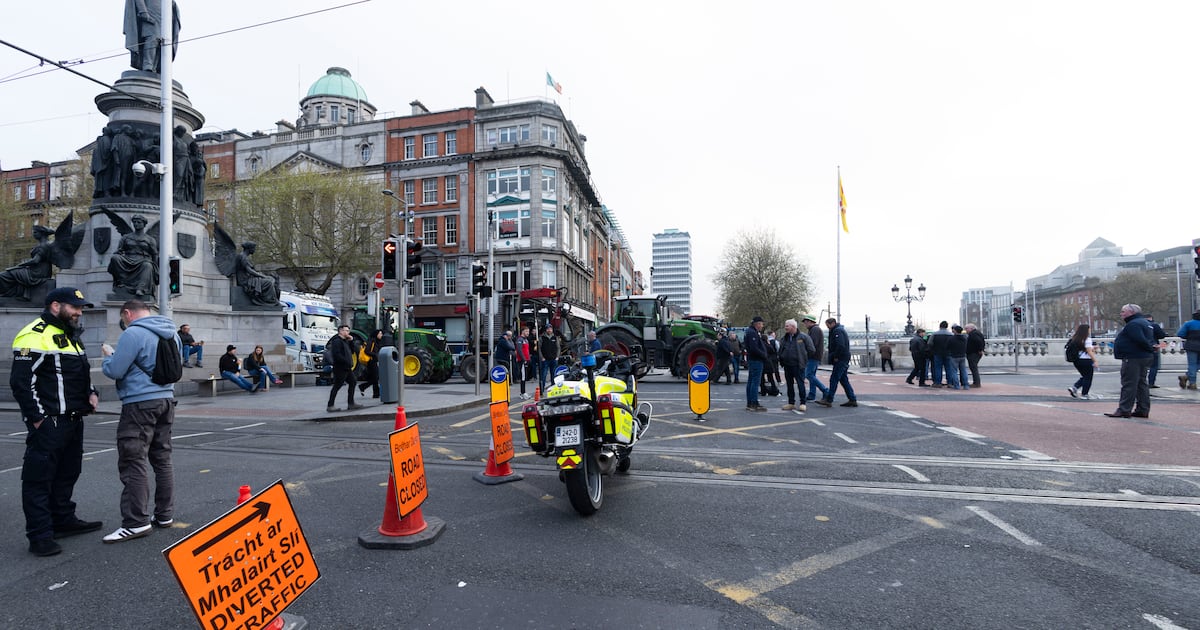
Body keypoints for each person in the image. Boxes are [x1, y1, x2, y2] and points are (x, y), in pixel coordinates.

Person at [10, 287, 103, 556]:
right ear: (55, 306)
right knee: (39, 479)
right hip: (49, 421)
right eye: (75, 307)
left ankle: (62, 520)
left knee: (68, 473)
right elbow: (20, 382)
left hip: (74, 420)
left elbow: (79, 375)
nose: (79, 312)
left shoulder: (70, 335)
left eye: (81, 308)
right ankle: (40, 535)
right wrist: (37, 418)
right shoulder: (33, 335)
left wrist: (92, 393)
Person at [98, 299, 179, 543]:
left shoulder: (133, 333)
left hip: (139, 403)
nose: (123, 322)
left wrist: (108, 357)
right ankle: (164, 515)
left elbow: (115, 371)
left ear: (127, 313)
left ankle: (136, 522)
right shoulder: (171, 332)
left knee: (133, 459)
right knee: (162, 458)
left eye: (122, 318)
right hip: (167, 400)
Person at [1104, 304, 1157, 419]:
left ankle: (1124, 409)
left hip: (1133, 357)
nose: (1121, 313)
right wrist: (1151, 348)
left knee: (1129, 383)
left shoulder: (1133, 324)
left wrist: (1149, 347)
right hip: (1144, 356)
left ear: (1131, 312)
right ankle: (1142, 409)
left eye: (1123, 311)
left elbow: (1139, 339)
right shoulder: (1145, 323)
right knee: (1141, 384)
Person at [107, 214, 157, 296]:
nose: (136, 224)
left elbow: (154, 254)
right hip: (128, 259)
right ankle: (122, 282)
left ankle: (140, 288)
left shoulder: (150, 239)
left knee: (147, 265)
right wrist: (119, 252)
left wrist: (155, 268)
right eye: (134, 222)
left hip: (143, 260)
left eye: (139, 222)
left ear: (144, 224)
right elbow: (119, 249)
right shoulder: (126, 237)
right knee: (115, 258)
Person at [0, 225, 55, 300]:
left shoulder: (44, 245)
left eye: (35, 232)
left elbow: (35, 261)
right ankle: (12, 295)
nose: (33, 234)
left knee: (3, 275)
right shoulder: (44, 244)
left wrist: (21, 264)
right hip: (37, 270)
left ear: (41, 233)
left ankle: (7, 294)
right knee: (12, 272)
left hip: (38, 272)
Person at [815, 317, 857, 407]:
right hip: (844, 358)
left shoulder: (837, 331)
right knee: (843, 379)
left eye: (828, 326)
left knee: (834, 379)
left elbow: (840, 345)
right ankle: (852, 399)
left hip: (841, 358)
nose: (828, 328)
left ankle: (829, 399)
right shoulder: (839, 330)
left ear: (833, 323)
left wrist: (836, 356)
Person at [778, 319, 814, 412]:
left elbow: (811, 350)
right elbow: (781, 349)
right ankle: (791, 403)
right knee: (789, 385)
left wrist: (804, 359)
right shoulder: (784, 338)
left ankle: (802, 403)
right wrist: (781, 358)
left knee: (800, 384)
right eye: (785, 326)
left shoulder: (803, 337)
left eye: (787, 326)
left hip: (798, 365)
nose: (785, 328)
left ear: (793, 327)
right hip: (787, 365)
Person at [325, 325, 363, 412]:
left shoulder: (345, 341)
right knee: (337, 385)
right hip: (340, 367)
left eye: (348, 331)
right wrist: (345, 361)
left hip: (347, 367)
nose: (347, 333)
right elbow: (337, 354)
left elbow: (352, 351)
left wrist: (351, 341)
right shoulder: (337, 341)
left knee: (353, 382)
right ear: (340, 331)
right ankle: (330, 405)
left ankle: (351, 403)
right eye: (345, 330)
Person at [1066, 324, 1097, 400]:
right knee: (1088, 377)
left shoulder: (1075, 339)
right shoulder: (1087, 339)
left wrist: (1092, 348)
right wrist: (1095, 361)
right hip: (1086, 360)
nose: (1090, 330)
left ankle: (1074, 388)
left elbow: (1083, 349)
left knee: (1085, 376)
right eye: (1089, 329)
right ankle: (1084, 394)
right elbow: (1089, 351)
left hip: (1077, 360)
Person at [743, 316, 768, 411]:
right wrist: (764, 355)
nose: (762, 326)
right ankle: (754, 403)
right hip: (756, 360)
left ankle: (750, 403)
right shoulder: (752, 333)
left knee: (751, 381)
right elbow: (754, 348)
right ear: (757, 324)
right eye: (761, 324)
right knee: (755, 382)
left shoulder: (750, 332)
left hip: (752, 359)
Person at [802, 315, 830, 402]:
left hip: (813, 356)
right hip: (815, 356)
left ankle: (825, 391)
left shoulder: (815, 330)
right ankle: (812, 394)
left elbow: (812, 344)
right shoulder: (814, 329)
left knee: (809, 375)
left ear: (810, 322)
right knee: (812, 375)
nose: (804, 324)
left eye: (805, 322)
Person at [1176, 310, 1200, 390]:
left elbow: (1180, 334)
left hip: (1191, 346)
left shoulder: (1189, 323)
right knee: (1197, 365)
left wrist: (1189, 337)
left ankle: (1191, 382)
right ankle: (1187, 377)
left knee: (1192, 364)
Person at [356, 330, 383, 398]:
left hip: (373, 361)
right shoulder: (372, 341)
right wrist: (375, 355)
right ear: (376, 334)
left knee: (374, 377)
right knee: (376, 377)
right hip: (371, 361)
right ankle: (375, 393)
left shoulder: (377, 341)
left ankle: (365, 388)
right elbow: (367, 351)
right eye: (380, 333)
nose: (381, 335)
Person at [928, 321, 953, 387]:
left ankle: (938, 383)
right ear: (947, 326)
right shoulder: (951, 334)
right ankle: (950, 383)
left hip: (937, 353)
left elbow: (930, 343)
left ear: (940, 326)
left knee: (938, 368)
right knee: (949, 368)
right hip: (948, 353)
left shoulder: (934, 334)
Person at [1145, 315, 1167, 388]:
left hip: (1142, 348)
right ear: (1151, 318)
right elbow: (1162, 335)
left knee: (1141, 367)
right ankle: (1151, 383)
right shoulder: (1154, 325)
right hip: (1153, 347)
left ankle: (1141, 383)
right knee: (1153, 366)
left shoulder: (1139, 325)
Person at [538, 325, 559, 393]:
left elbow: (558, 347)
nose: (549, 330)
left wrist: (557, 357)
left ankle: (554, 388)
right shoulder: (542, 338)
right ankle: (542, 389)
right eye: (548, 329)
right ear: (546, 330)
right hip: (545, 359)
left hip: (554, 359)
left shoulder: (555, 337)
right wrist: (542, 357)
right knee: (543, 375)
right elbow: (539, 348)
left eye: (550, 329)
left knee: (554, 375)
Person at [947, 325, 968, 390]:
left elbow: (947, 347)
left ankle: (957, 385)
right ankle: (966, 385)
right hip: (962, 356)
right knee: (963, 370)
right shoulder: (965, 338)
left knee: (954, 371)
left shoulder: (951, 338)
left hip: (954, 356)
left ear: (955, 331)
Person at [964, 323, 985, 388]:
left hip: (973, 353)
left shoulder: (973, 334)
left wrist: (980, 350)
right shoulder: (977, 333)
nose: (966, 330)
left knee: (973, 368)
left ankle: (976, 383)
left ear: (971, 328)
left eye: (966, 329)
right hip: (975, 353)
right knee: (974, 368)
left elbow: (979, 342)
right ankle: (976, 382)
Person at [761, 331, 781, 397]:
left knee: (762, 378)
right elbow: (773, 350)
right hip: (769, 362)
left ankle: (763, 391)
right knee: (771, 377)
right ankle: (774, 390)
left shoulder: (760, 345)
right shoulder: (768, 344)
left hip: (762, 362)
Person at [514, 327, 532, 400]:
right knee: (523, 377)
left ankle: (524, 392)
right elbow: (519, 350)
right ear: (522, 331)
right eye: (526, 331)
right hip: (522, 361)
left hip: (526, 360)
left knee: (525, 377)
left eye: (528, 331)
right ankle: (522, 393)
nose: (528, 333)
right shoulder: (520, 340)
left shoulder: (526, 340)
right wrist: (524, 359)